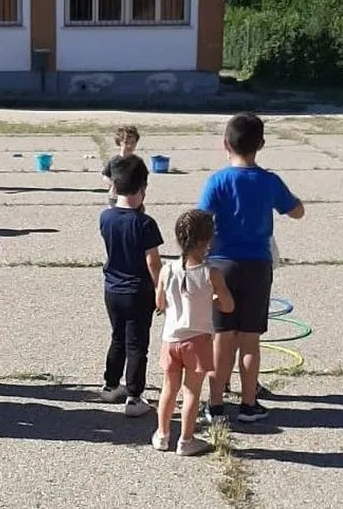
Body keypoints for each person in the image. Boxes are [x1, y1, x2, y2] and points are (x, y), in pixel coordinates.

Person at [197, 112, 305, 424]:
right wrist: (288, 202)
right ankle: (248, 404)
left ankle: (215, 405)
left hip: (221, 268)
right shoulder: (269, 181)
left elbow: (201, 219)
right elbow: (297, 211)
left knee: (222, 337)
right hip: (258, 266)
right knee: (249, 339)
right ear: (261, 145)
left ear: (224, 145)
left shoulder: (216, 181)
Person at [152, 210, 234, 456]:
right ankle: (186, 440)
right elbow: (228, 306)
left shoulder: (167, 269)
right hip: (197, 340)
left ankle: (162, 434)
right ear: (206, 241)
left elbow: (159, 302)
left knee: (169, 388)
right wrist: (216, 297)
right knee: (191, 391)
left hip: (171, 339)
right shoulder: (212, 273)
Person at [99, 155, 163, 417]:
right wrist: (161, 290)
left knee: (118, 337)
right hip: (138, 291)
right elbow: (153, 262)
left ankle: (111, 384)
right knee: (137, 344)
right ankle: (135, 396)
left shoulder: (106, 217)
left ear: (114, 186)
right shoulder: (145, 223)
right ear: (143, 188)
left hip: (112, 289)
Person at [101, 126, 141, 208]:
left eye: (133, 142)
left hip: (132, 197)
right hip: (116, 197)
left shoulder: (137, 162)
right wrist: (113, 184)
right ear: (119, 143)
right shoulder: (114, 161)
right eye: (126, 143)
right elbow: (105, 176)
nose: (130, 146)